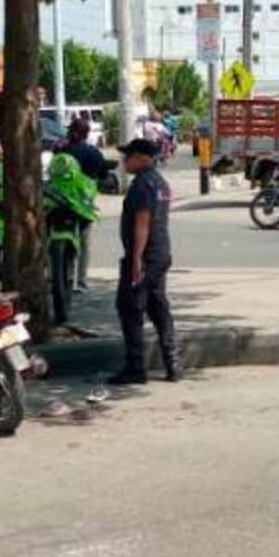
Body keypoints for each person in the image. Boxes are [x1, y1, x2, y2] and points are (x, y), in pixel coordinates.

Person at [110, 138, 179, 386]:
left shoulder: (142, 184)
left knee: (130, 307)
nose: (124, 161)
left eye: (128, 156)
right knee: (158, 306)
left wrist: (136, 260)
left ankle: (135, 367)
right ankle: (173, 363)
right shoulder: (160, 182)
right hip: (160, 253)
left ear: (141, 157)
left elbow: (143, 223)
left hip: (145, 256)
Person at [57, 119, 106, 290]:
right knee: (84, 241)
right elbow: (104, 174)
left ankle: (62, 275)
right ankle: (81, 280)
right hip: (84, 204)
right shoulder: (93, 152)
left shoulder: (61, 151)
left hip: (59, 201)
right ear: (86, 134)